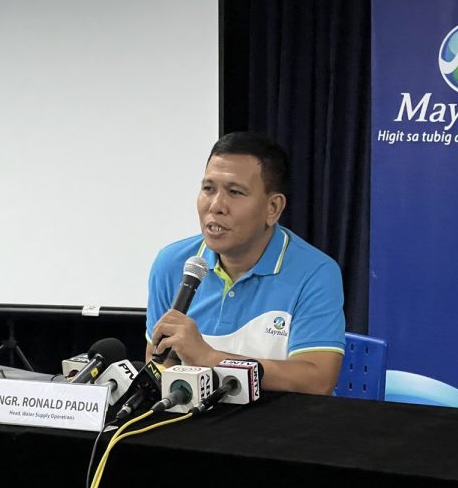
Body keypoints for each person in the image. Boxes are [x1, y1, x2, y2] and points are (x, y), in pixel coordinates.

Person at [145, 132, 345, 395]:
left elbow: (317, 380)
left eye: (235, 192)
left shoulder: (316, 273)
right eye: (208, 189)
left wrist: (210, 358)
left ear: (273, 208)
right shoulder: (173, 264)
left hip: (283, 418)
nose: (216, 206)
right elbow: (158, 361)